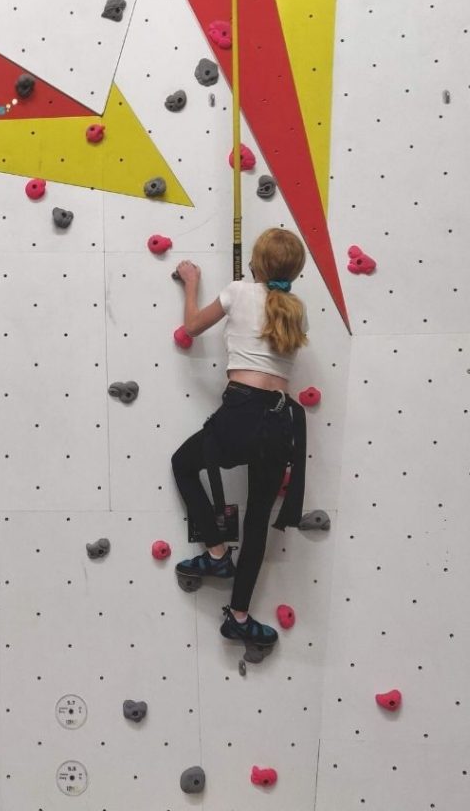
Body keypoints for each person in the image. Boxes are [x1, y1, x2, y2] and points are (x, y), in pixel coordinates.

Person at [170, 228, 310, 647]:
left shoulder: (238, 292)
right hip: (281, 419)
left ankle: (216, 555)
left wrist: (192, 282)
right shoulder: (297, 311)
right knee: (256, 520)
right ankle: (239, 615)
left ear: (256, 263)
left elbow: (193, 327)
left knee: (182, 464)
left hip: (244, 410)